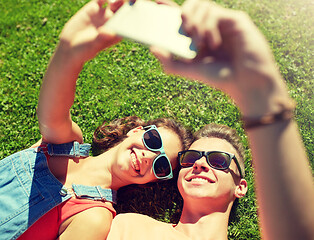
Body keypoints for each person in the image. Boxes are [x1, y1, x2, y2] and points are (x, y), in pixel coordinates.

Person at [107, 0, 314, 239]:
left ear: (241, 187)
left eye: (218, 160)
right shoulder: (129, 226)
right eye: (191, 157)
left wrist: (262, 95)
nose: (199, 164)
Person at [0, 0, 193, 240]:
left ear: (152, 180)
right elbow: (51, 110)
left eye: (161, 165)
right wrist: (68, 51)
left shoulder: (96, 217)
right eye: (153, 141)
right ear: (136, 131)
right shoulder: (65, 145)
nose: (148, 156)